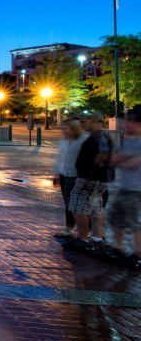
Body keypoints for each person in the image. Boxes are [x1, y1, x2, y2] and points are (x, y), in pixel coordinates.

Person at [65, 113, 116, 252]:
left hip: (91, 179)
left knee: (78, 208)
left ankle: (83, 240)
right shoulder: (101, 137)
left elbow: (102, 157)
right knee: (96, 209)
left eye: (85, 121)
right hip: (98, 179)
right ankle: (96, 239)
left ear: (94, 122)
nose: (83, 124)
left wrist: (89, 176)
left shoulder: (98, 138)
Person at [109, 112, 141, 268]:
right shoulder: (131, 140)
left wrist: (123, 158)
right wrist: (123, 158)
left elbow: (127, 162)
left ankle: (138, 254)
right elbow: (117, 159)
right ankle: (119, 248)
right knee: (116, 218)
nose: (125, 125)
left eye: (129, 122)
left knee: (134, 222)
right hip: (126, 186)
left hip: (136, 188)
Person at [52, 119, 87, 238]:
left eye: (65, 128)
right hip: (64, 174)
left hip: (77, 175)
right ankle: (69, 228)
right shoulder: (63, 141)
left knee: (79, 204)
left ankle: (84, 231)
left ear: (73, 128)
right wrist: (56, 174)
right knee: (68, 203)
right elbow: (59, 158)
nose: (62, 131)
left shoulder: (84, 140)